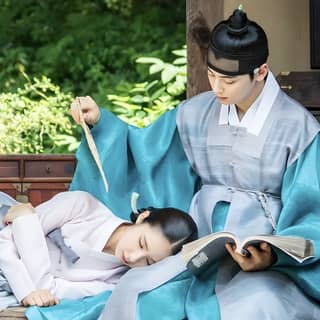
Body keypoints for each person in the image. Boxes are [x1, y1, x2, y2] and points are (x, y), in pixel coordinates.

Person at [69, 8, 320, 320]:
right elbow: (146, 151)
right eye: (212, 76)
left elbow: (314, 213)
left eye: (228, 80)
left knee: (255, 306)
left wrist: (271, 258)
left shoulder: (298, 128)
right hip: (198, 246)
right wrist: (102, 125)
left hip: (261, 257)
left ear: (261, 71)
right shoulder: (196, 113)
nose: (216, 88)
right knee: (139, 293)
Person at [0, 190, 197, 308]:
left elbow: (51, 291)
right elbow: (5, 240)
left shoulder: (116, 282)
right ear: (143, 217)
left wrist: (25, 220)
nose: (132, 257)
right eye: (141, 243)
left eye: (148, 262)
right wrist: (27, 289)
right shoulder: (81, 206)